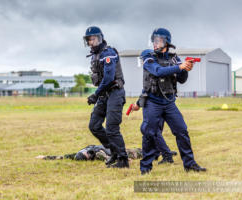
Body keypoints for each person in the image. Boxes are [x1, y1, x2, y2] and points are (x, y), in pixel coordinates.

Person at [131, 28, 207, 175]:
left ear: (166, 42)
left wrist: (186, 68)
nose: (155, 43)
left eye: (158, 40)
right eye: (154, 40)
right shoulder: (147, 55)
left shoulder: (173, 57)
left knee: (182, 131)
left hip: (169, 102)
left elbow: (182, 80)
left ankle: (190, 164)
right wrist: (180, 66)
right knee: (150, 133)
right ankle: (145, 168)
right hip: (152, 102)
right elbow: (157, 71)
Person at [83, 26, 129, 168]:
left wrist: (95, 95)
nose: (91, 42)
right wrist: (98, 95)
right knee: (94, 125)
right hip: (104, 94)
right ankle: (114, 152)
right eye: (89, 40)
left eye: (94, 39)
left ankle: (123, 160)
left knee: (111, 128)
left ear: (100, 38)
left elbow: (109, 77)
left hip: (115, 92)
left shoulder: (108, 53)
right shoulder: (95, 56)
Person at [35, 145, 142, 162]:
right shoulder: (79, 154)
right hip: (116, 150)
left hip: (119, 151)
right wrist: (45, 157)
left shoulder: (98, 153)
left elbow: (107, 158)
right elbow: (62, 157)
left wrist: (123, 159)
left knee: (138, 152)